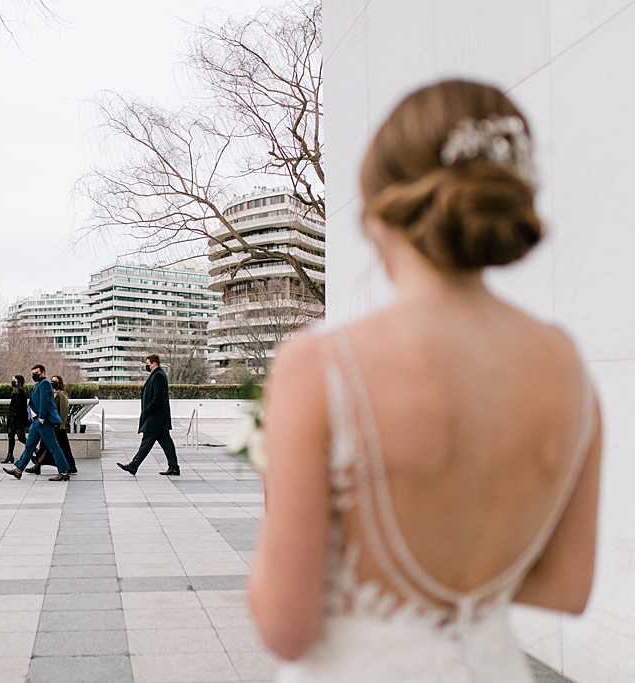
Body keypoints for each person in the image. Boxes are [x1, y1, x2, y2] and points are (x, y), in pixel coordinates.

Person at [249, 80, 602, 683]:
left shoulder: (321, 367)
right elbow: (568, 586)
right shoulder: (566, 365)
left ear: (381, 208)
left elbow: (287, 625)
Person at [3, 364, 71, 481]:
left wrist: (42, 418)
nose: (34, 375)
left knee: (53, 446)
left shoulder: (44, 384)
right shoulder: (39, 384)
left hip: (42, 421)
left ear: (43, 373)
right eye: (33, 373)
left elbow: (44, 402)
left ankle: (64, 471)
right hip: (36, 422)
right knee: (29, 446)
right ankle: (19, 470)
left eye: (37, 374)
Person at [118, 353, 179, 476]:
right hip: (159, 417)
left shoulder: (158, 376)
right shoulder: (157, 375)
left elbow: (158, 397)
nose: (147, 366)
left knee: (146, 443)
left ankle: (133, 466)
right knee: (166, 443)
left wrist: (147, 410)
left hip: (155, 417)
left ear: (154, 363)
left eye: (147, 364)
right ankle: (174, 467)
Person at [27, 375, 77, 475]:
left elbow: (62, 411)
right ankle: (39, 464)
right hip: (51, 425)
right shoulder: (51, 394)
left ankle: (69, 466)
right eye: (52, 380)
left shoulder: (60, 395)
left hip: (57, 427)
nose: (52, 382)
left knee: (59, 446)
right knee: (46, 446)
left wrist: (59, 423)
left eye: (55, 381)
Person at [2, 374, 28, 464]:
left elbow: (18, 408)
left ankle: (35, 450)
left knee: (21, 438)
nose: (13, 382)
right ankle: (10, 455)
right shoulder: (16, 392)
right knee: (10, 435)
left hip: (18, 420)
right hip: (14, 419)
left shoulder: (20, 392)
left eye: (14, 380)